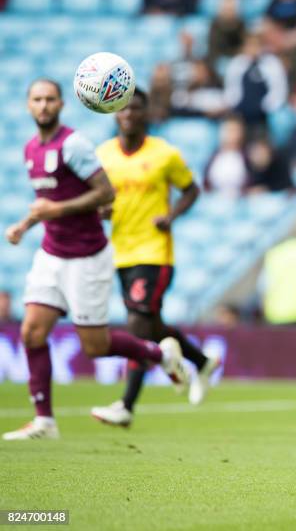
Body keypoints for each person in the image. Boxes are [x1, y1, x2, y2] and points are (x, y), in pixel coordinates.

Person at [2, 79, 188, 441]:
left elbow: (106, 192)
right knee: (32, 331)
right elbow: (48, 201)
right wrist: (24, 225)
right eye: (37, 100)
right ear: (27, 106)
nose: (43, 106)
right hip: (51, 254)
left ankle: (160, 354)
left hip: (87, 256)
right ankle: (44, 420)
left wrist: (55, 209)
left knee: (96, 346)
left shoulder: (74, 145)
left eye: (50, 99)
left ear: (61, 105)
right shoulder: (30, 150)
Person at [92, 89, 222, 428]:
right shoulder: (104, 155)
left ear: (146, 113)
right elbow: (96, 201)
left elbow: (191, 189)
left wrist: (172, 216)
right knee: (151, 325)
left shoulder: (164, 154)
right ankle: (202, 361)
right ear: (115, 114)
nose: (129, 114)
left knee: (137, 325)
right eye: (123, 109)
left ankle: (126, 406)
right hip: (120, 252)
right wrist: (101, 211)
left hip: (154, 252)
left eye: (136, 108)